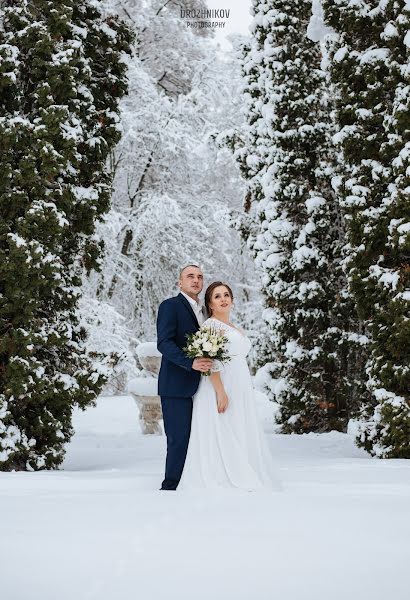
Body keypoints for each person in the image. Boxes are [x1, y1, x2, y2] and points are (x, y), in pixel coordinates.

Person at [178, 281, 282, 491]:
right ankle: (224, 474)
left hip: (239, 383)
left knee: (239, 426)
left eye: (226, 295)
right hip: (221, 386)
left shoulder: (231, 326)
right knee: (223, 428)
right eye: (217, 296)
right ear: (210, 304)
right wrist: (220, 392)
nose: (223, 299)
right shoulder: (211, 326)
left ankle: (245, 468)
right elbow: (209, 362)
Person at [156, 264, 212, 490]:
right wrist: (190, 362)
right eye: (190, 276)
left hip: (204, 386)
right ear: (180, 282)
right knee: (178, 439)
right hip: (176, 385)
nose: (196, 280)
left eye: (199, 277)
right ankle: (171, 485)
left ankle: (196, 480)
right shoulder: (170, 306)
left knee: (201, 437)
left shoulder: (206, 312)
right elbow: (164, 343)